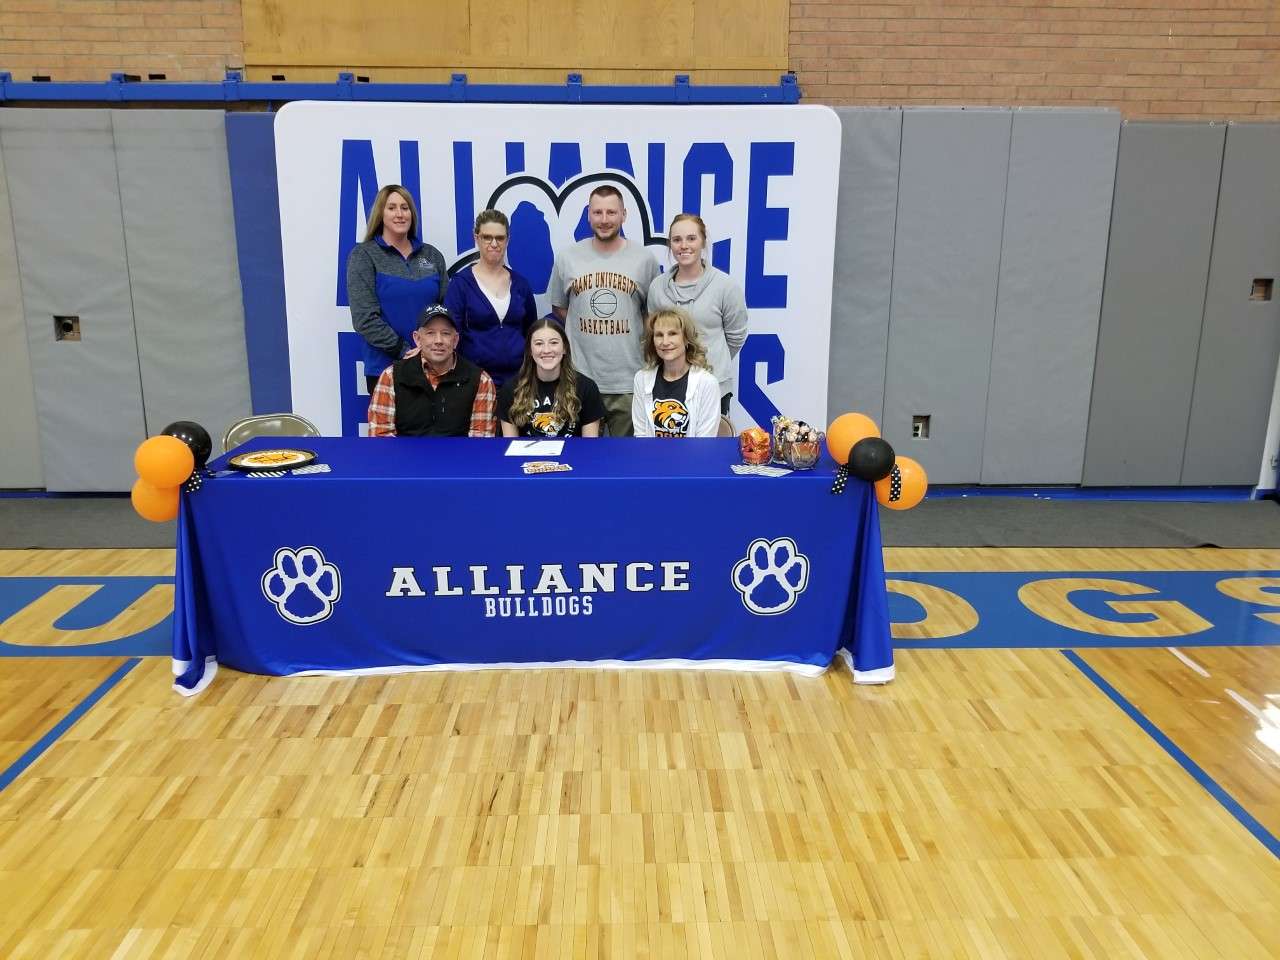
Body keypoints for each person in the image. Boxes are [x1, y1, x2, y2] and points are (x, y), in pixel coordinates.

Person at [548, 184, 659, 436]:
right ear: (588, 215)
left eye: (611, 212)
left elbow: (651, 317)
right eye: (597, 212)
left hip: (629, 380)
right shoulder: (568, 257)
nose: (604, 219)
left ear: (624, 215)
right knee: (580, 456)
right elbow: (560, 308)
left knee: (628, 456)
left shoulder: (645, 259)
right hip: (579, 379)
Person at [346, 184, 449, 393]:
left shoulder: (432, 255)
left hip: (434, 367)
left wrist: (431, 350)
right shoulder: (364, 256)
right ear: (380, 215)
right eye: (392, 208)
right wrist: (405, 351)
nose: (400, 214)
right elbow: (365, 319)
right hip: (385, 370)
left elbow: (445, 310)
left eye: (405, 207)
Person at [646, 212, 748, 415]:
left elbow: (736, 337)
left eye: (691, 238)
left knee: (711, 438)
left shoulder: (725, 286)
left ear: (703, 241)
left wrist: (708, 362)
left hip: (714, 386)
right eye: (677, 240)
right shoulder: (657, 287)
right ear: (670, 245)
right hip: (669, 388)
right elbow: (654, 335)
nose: (684, 246)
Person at [367, 305, 496, 437]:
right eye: (430, 333)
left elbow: (480, 442)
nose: (438, 341)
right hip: (405, 451)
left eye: (445, 333)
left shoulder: (481, 381)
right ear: (417, 339)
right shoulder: (391, 377)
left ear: (455, 340)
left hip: (460, 451)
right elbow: (381, 437)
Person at [445, 209, 540, 389]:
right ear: (477, 238)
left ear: (507, 240)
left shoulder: (520, 285)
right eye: (487, 237)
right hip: (474, 383)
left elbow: (532, 332)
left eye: (500, 238)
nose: (494, 244)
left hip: (518, 382)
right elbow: (450, 332)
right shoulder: (461, 284)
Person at [498, 317, 605, 438]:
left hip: (573, 451)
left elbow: (590, 445)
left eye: (554, 343)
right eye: (539, 343)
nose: (546, 350)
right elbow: (510, 444)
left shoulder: (587, 388)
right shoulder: (511, 389)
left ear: (564, 348)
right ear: (529, 350)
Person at [632, 308, 720, 438]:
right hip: (650, 452)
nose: (665, 342)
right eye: (659, 335)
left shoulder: (707, 383)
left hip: (694, 452)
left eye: (672, 334)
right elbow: (640, 434)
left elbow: (704, 441)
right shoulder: (641, 379)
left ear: (686, 339)